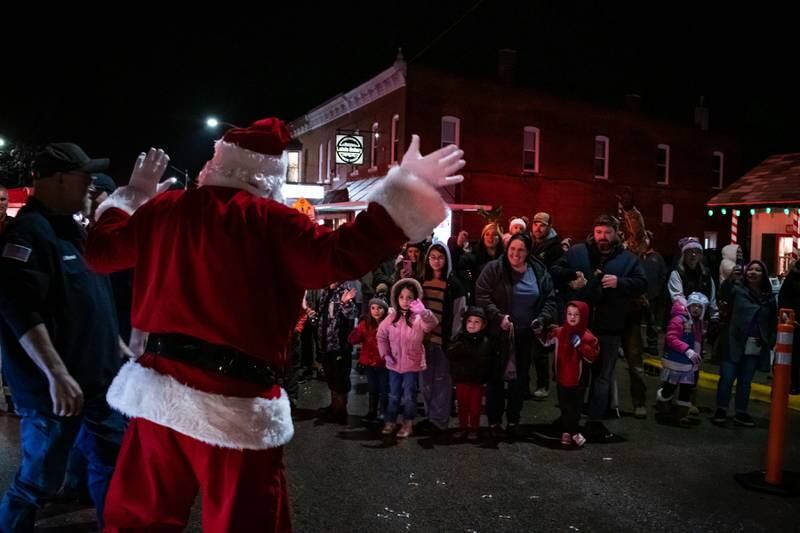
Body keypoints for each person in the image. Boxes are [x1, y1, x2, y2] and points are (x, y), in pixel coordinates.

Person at [85, 119, 465, 531]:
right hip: (236, 402)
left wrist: (132, 197)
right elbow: (343, 254)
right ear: (269, 175)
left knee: (138, 521)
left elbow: (101, 253)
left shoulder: (166, 210)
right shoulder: (273, 222)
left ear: (216, 164)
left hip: (158, 395)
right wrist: (405, 190)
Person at [0, 143, 126, 530]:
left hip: (97, 384)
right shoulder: (28, 235)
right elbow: (21, 312)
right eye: (83, 177)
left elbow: (93, 300)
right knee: (39, 481)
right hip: (53, 393)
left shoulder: (73, 231)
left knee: (113, 463)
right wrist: (56, 374)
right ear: (57, 179)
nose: (91, 186)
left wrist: (118, 348)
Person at [557, 214, 647, 441]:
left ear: (616, 233)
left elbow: (643, 283)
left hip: (610, 328)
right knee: (577, 376)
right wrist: (570, 278)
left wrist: (620, 283)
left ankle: (595, 421)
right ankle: (571, 419)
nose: (602, 237)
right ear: (593, 232)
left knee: (603, 377)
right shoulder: (578, 252)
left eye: (607, 233)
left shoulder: (627, 259)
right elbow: (555, 270)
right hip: (580, 328)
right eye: (599, 232)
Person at [476, 233, 558, 437]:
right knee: (495, 378)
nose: (516, 253)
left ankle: (513, 419)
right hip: (499, 333)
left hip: (525, 335)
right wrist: (497, 317)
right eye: (512, 249)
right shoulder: (494, 268)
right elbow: (482, 294)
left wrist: (542, 319)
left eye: (521, 249)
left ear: (528, 251)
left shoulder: (539, 271)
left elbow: (549, 299)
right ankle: (494, 421)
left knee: (519, 379)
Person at [712, 260, 777, 427]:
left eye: (758, 270)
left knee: (745, 381)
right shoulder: (737, 289)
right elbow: (724, 294)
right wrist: (731, 277)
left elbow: (772, 322)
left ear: (764, 275)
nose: (753, 272)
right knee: (726, 378)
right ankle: (721, 409)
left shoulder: (768, 298)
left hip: (755, 345)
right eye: (750, 269)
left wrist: (769, 340)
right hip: (734, 341)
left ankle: (741, 412)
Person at [377, 278, 438, 438]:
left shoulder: (418, 318)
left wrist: (423, 312)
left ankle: (408, 423)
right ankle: (390, 421)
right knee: (394, 394)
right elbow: (381, 336)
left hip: (412, 363)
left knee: (410, 395)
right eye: (401, 297)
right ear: (396, 298)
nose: (405, 301)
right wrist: (386, 354)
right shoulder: (391, 318)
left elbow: (431, 324)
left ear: (415, 298)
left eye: (409, 297)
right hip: (394, 364)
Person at [419, 241, 467, 432]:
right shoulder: (422, 281)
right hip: (424, 341)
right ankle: (429, 415)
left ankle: (439, 420)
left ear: (446, 259)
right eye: (432, 257)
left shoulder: (454, 284)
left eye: (440, 257)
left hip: (443, 341)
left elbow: (459, 313)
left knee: (442, 381)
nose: (436, 261)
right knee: (425, 381)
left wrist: (454, 338)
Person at [543, 301, 599, 448]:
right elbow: (546, 342)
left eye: (576, 314)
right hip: (562, 377)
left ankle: (569, 432)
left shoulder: (588, 336)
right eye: (569, 314)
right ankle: (571, 433)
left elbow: (592, 357)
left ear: (584, 316)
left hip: (579, 380)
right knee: (565, 407)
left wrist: (580, 346)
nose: (572, 317)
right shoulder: (560, 332)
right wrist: (539, 330)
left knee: (575, 409)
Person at [656, 292, 708, 426]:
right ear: (688, 306)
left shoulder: (698, 322)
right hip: (676, 361)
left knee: (686, 390)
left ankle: (680, 416)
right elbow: (671, 338)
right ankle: (663, 409)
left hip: (690, 364)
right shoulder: (679, 319)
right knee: (669, 388)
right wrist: (687, 350)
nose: (696, 309)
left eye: (700, 307)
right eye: (694, 306)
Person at [447, 306, 496, 441]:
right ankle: (462, 427)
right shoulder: (459, 338)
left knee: (475, 407)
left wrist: (486, 376)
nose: (472, 325)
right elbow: (450, 355)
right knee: (462, 406)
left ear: (483, 324)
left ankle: (474, 428)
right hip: (462, 379)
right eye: (470, 321)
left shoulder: (486, 341)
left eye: (476, 322)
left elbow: (489, 360)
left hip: (477, 381)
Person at [316, 282, 358, 423]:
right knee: (331, 377)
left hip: (339, 345)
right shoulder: (325, 292)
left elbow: (352, 314)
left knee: (340, 378)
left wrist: (345, 303)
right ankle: (334, 406)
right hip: (325, 344)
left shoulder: (344, 292)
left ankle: (340, 411)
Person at [348, 298, 390, 421]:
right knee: (373, 388)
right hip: (370, 362)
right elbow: (352, 339)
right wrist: (357, 331)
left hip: (384, 363)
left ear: (385, 310)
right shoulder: (365, 324)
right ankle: (372, 411)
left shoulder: (388, 324)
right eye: (373, 308)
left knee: (384, 388)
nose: (376, 311)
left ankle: (383, 411)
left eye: (379, 308)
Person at [641, 231, 668, 355]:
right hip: (638, 296)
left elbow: (663, 275)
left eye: (647, 238)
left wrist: (657, 290)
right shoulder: (636, 256)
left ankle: (652, 345)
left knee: (652, 321)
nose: (645, 241)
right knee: (636, 322)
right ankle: (637, 345)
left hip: (653, 296)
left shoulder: (657, 257)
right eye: (643, 239)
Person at [778, 259, 800, 394]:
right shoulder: (792, 279)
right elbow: (784, 299)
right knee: (796, 355)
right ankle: (795, 383)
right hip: (795, 322)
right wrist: (787, 316)